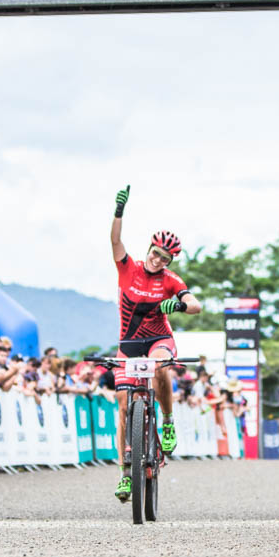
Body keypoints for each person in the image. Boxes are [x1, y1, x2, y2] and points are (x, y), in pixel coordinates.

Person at [108, 184, 199, 503]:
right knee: (122, 407)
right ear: (149, 249)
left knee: (161, 366)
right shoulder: (128, 268)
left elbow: (197, 304)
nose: (159, 259)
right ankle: (123, 473)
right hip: (129, 343)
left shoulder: (171, 280)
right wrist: (119, 212)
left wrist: (180, 305)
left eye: (166, 257)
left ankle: (169, 421)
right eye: (156, 253)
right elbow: (115, 240)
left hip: (159, 339)